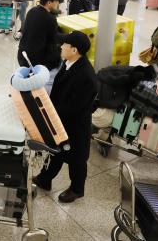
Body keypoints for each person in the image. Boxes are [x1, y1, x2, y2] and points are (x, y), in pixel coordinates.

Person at [33, 31, 97, 203]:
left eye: (65, 45)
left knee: (76, 158)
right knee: (58, 152)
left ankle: (77, 189)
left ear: (74, 50)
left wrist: (51, 114)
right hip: (61, 119)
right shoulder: (69, 63)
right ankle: (45, 179)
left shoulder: (86, 77)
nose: (61, 47)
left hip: (75, 125)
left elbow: (76, 107)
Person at [17, 0, 64, 93]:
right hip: (35, 62)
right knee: (60, 62)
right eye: (57, 2)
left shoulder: (32, 11)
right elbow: (55, 39)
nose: (58, 5)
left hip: (22, 55)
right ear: (49, 2)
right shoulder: (50, 18)